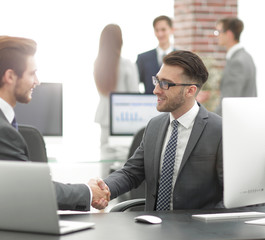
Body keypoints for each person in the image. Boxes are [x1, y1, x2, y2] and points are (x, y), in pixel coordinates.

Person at [0, 36, 109, 217]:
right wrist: (88, 192)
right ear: (10, 76)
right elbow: (34, 192)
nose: (37, 81)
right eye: (32, 73)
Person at [92, 50, 223, 211]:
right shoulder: (154, 126)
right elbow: (130, 173)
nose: (156, 90)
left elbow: (231, 195)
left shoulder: (219, 131)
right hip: (154, 227)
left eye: (165, 84)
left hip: (196, 231)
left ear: (190, 91)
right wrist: (104, 188)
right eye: (157, 81)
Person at [94, 24, 139, 146]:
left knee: (105, 156)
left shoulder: (97, 64)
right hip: (124, 118)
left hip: (104, 118)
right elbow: (135, 95)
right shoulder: (127, 64)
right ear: (120, 40)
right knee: (124, 159)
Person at [214, 17, 257, 116]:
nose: (217, 36)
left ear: (229, 34)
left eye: (218, 32)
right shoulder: (245, 56)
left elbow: (229, 102)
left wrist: (209, 122)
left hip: (237, 120)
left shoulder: (237, 61)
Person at [136, 15, 174, 94]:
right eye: (157, 30)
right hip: (149, 103)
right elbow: (134, 83)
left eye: (163, 30)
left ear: (171, 30)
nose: (160, 34)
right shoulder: (143, 58)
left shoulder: (181, 57)